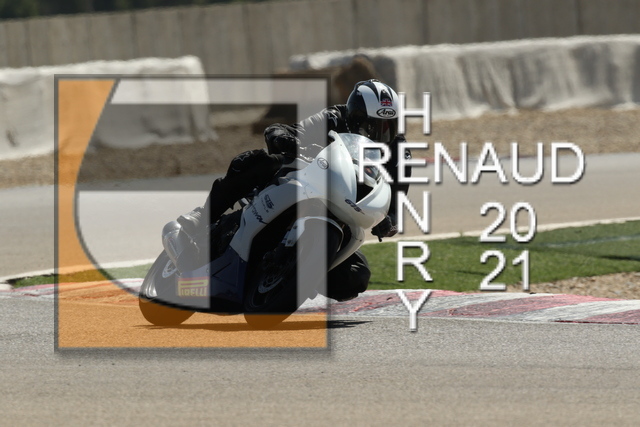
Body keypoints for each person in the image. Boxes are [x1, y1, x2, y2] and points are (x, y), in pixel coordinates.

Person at [178, 79, 412, 301]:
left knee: (356, 277)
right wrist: (283, 137)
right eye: (371, 126)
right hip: (309, 181)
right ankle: (203, 216)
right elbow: (289, 129)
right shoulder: (334, 118)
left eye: (388, 126)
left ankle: (295, 276)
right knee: (256, 161)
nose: (380, 135)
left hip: (344, 209)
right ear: (354, 116)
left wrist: (390, 221)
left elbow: (397, 199)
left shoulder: (399, 151)